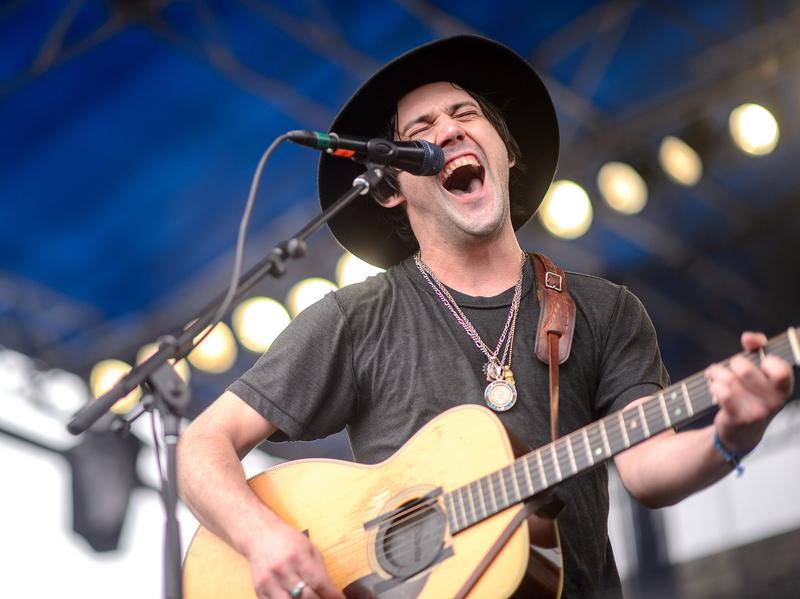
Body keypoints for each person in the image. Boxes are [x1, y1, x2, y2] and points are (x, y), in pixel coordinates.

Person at [177, 35, 794, 599]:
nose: (448, 131)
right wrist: (262, 537)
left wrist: (730, 434)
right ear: (392, 186)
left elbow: (649, 469)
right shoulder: (355, 317)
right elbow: (203, 444)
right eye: (422, 128)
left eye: (465, 115)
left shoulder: (604, 309)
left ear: (507, 153)